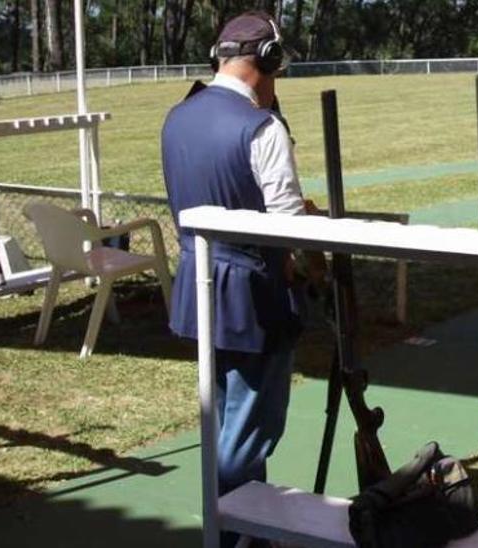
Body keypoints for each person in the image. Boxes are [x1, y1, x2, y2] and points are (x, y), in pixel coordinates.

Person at [160, 11, 317, 545]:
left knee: (223, 422)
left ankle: (252, 533)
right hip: (255, 296)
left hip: (198, 286)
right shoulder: (263, 126)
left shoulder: (177, 116)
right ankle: (230, 535)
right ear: (268, 60)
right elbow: (287, 227)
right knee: (249, 433)